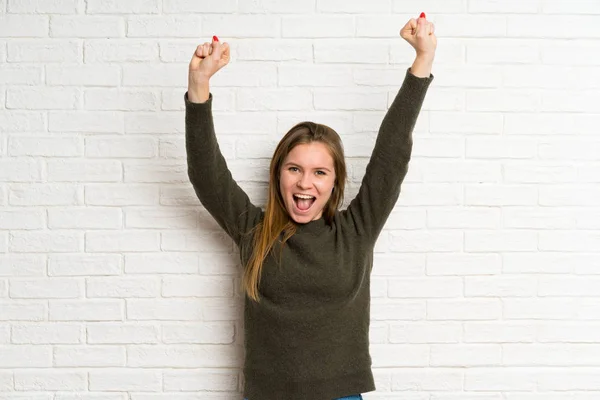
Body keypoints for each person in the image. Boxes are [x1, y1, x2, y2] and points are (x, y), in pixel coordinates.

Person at [185, 13, 436, 400]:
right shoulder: (254, 230)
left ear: (334, 182)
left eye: (320, 171)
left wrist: (422, 62)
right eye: (294, 169)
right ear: (278, 175)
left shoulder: (356, 231)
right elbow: (206, 173)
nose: (305, 182)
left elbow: (392, 151)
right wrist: (198, 87)